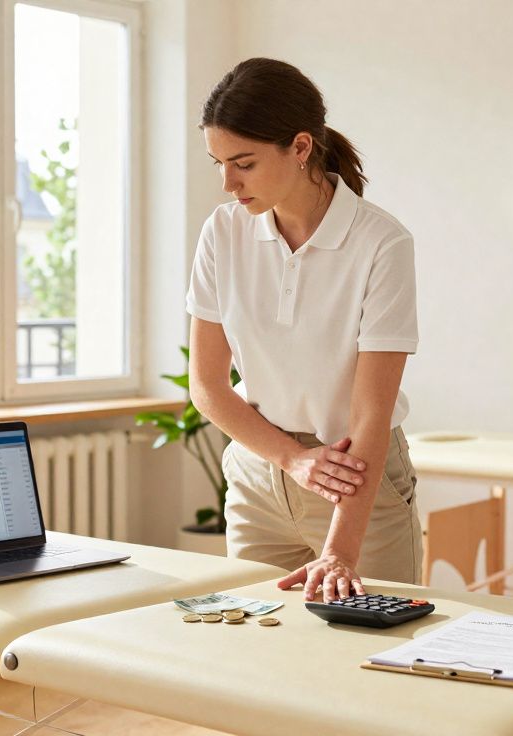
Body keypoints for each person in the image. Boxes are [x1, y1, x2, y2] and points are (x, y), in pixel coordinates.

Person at [186, 58, 420, 603]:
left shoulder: (382, 243)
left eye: (243, 162)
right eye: (218, 163)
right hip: (256, 472)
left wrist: (340, 548)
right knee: (258, 656)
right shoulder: (223, 232)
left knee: (373, 658)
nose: (227, 183)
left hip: (354, 481)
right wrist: (289, 458)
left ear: (300, 147)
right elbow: (208, 387)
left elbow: (370, 415)